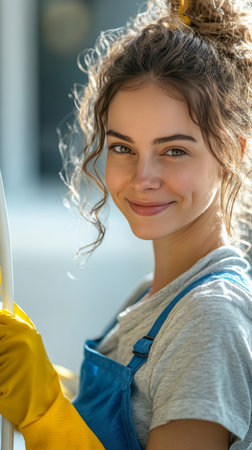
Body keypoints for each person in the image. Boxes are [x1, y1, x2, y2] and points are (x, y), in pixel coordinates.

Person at [0, 0, 252, 449]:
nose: (142, 178)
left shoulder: (209, 318)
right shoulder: (153, 293)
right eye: (122, 148)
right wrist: (55, 386)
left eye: (173, 150)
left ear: (231, 152)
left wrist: (43, 410)